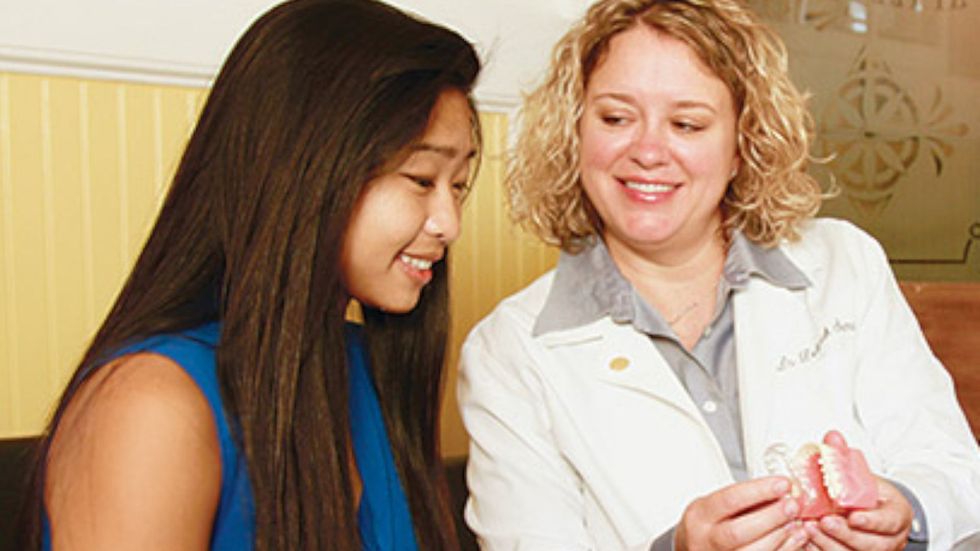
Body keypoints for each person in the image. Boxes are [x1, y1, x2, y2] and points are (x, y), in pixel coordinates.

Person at [457, 0, 980, 550]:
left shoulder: (845, 265)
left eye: (687, 123)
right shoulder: (508, 351)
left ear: (741, 145)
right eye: (615, 118)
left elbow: (956, 471)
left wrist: (908, 513)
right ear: (575, 133)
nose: (648, 151)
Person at [24, 0, 481, 549]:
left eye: (458, 185)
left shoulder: (373, 370)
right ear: (306, 171)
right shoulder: (151, 407)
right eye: (421, 178)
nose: (449, 224)